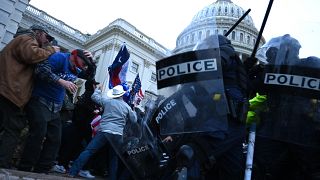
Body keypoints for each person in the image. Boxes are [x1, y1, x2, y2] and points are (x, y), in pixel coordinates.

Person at [157, 34, 249, 180]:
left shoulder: (225, 52)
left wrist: (189, 68)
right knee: (226, 170)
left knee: (190, 155)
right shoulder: (212, 78)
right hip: (220, 124)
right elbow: (188, 95)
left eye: (205, 48)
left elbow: (216, 63)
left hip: (224, 123)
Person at [249, 34, 320, 179]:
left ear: (286, 50)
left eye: (271, 54)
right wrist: (247, 74)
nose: (269, 59)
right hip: (274, 132)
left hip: (304, 133)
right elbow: (247, 90)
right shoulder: (270, 72)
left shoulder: (310, 65)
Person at [17, 49, 95, 173]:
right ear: (74, 55)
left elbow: (89, 78)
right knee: (38, 134)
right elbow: (40, 70)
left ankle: (41, 170)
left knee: (55, 140)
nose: (84, 66)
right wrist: (61, 81)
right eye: (83, 62)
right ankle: (24, 169)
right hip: (40, 100)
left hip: (56, 106)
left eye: (86, 64)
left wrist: (92, 62)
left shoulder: (77, 69)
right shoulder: (60, 58)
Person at [0, 24, 64, 168]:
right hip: (11, 92)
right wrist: (51, 50)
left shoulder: (21, 40)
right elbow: (31, 55)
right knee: (12, 130)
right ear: (38, 33)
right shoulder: (27, 38)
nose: (48, 41)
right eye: (47, 37)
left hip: (7, 90)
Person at [68, 84, 137, 180]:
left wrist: (98, 89)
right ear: (122, 95)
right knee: (114, 157)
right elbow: (134, 120)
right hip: (118, 134)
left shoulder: (107, 101)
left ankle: (72, 172)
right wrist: (133, 110)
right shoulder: (127, 107)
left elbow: (94, 97)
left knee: (88, 151)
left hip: (104, 131)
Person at [53, 78, 102, 178]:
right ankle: (79, 168)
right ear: (92, 86)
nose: (96, 87)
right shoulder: (89, 97)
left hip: (80, 126)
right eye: (95, 85)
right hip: (82, 126)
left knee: (73, 146)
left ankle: (63, 165)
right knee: (87, 148)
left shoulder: (86, 96)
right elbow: (83, 110)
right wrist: (94, 112)